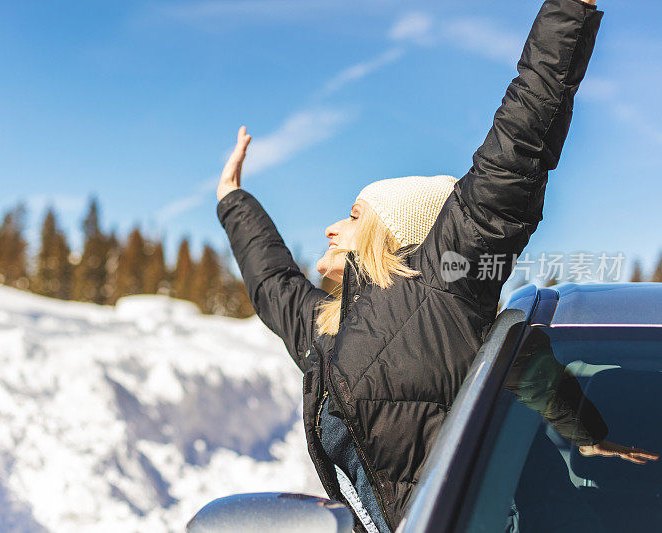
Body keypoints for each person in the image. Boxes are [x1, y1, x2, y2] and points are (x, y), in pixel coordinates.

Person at [215, 1, 612, 531]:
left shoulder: (447, 283)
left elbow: (514, 149)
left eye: (354, 215)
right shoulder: (329, 329)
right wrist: (232, 199)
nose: (331, 228)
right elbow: (273, 283)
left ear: (395, 235)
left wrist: (568, 12)